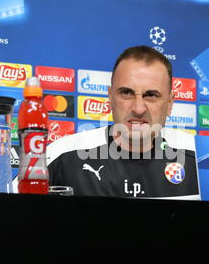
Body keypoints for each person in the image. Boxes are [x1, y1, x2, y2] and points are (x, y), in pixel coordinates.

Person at [46, 45, 199, 199]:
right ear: (110, 97)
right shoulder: (60, 156)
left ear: (170, 103)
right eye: (126, 93)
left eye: (151, 95)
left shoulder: (202, 159)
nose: (138, 108)